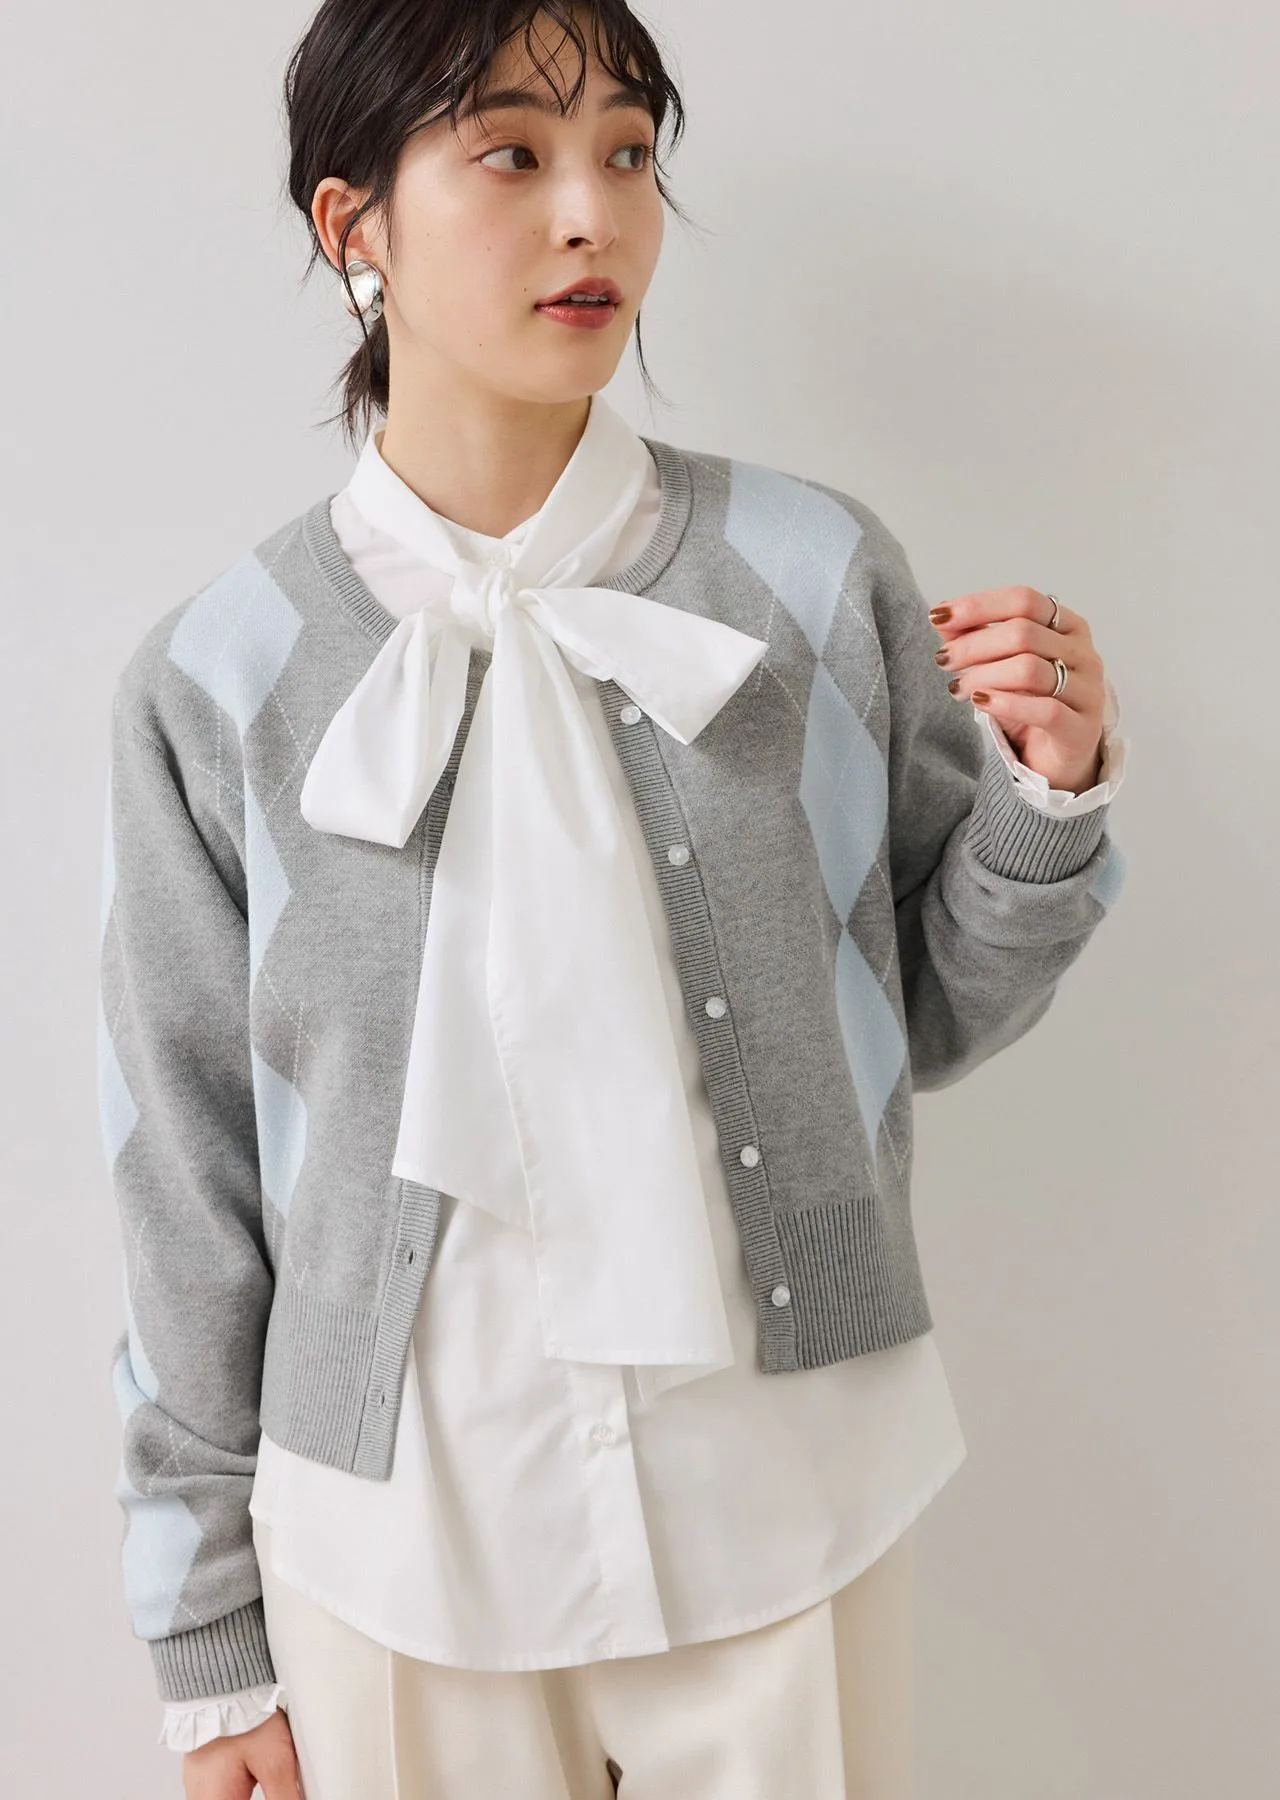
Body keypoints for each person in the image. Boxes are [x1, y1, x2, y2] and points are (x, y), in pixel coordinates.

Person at [98, 2, 1130, 1794]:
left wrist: (1049, 800)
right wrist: (207, 1639)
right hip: (394, 1548)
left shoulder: (808, 574)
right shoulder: (218, 675)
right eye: (512, 152)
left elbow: (918, 1013)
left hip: (785, 1498)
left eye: (629, 153)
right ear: (353, 225)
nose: (593, 214)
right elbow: (185, 1172)